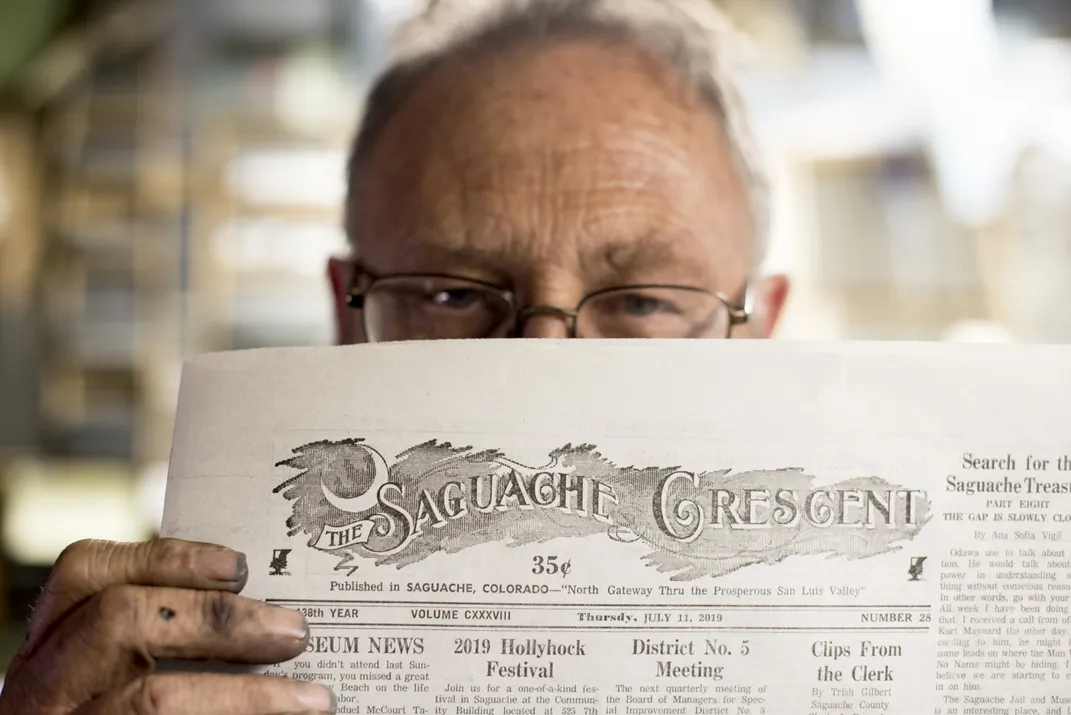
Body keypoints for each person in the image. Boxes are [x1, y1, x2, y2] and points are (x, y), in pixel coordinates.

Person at [0, 0, 789, 712]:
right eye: (450, 295)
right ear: (348, 313)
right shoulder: (190, 663)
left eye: (645, 301)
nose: (546, 364)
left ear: (763, 329)